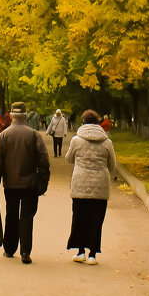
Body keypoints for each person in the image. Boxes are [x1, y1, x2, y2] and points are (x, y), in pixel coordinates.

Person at [0, 101, 50, 264]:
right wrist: (43, 182)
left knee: (12, 215)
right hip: (30, 185)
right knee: (27, 217)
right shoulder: (34, 135)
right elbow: (44, 160)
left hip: (11, 185)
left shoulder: (3, 136)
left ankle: (9, 249)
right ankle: (25, 252)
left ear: (11, 116)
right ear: (25, 116)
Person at [65, 109, 117, 265]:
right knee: (96, 220)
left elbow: (68, 159)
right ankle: (93, 254)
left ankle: (80, 251)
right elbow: (112, 165)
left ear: (83, 122)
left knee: (79, 218)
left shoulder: (76, 140)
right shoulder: (107, 142)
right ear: (98, 123)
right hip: (100, 185)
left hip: (80, 184)